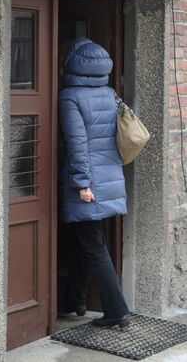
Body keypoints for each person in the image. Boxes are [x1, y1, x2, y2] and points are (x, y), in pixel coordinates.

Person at [58, 37, 130, 327]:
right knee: (84, 241)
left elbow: (78, 144)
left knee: (92, 244)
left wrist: (81, 184)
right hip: (108, 177)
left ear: (72, 63)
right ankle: (73, 300)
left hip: (88, 181)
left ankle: (117, 311)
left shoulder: (69, 96)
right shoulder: (109, 93)